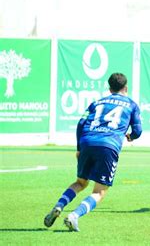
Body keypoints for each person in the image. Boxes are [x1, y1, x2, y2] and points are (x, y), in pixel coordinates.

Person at [44, 72, 142, 231]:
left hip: (87, 142)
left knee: (80, 183)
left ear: (109, 88)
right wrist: (131, 136)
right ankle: (74, 216)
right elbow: (138, 130)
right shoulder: (131, 105)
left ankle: (59, 206)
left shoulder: (96, 103)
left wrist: (78, 148)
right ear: (126, 87)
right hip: (108, 146)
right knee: (100, 191)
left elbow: (81, 123)